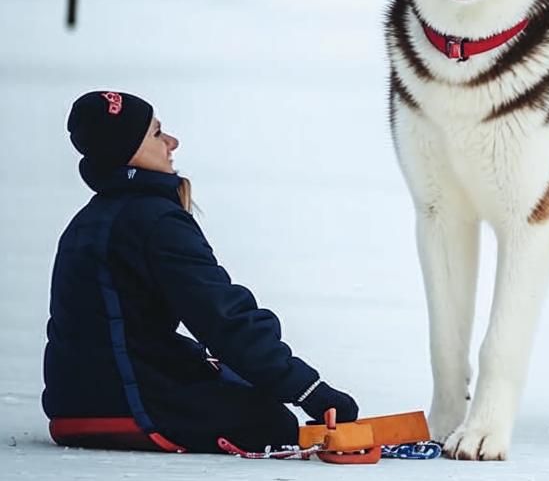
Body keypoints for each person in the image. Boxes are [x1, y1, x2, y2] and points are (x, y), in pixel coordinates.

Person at [42, 90, 358, 454]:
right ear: (128, 151)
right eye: (157, 134)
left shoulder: (91, 219)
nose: (171, 142)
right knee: (272, 421)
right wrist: (310, 392)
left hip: (73, 403)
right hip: (126, 405)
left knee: (235, 380)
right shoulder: (155, 221)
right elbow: (221, 317)